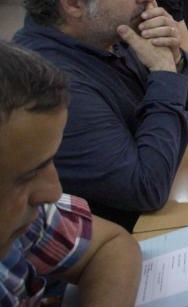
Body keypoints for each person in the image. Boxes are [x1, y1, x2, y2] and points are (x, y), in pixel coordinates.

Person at [14, 0, 188, 231]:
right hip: (135, 234)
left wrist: (173, 56)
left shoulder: (111, 30)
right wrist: (163, 73)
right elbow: (146, 187)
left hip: (175, 191)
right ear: (74, 4)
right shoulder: (48, 85)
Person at [0, 41, 141, 305]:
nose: (53, 191)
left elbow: (109, 246)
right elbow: (143, 185)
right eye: (25, 176)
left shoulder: (18, 216)